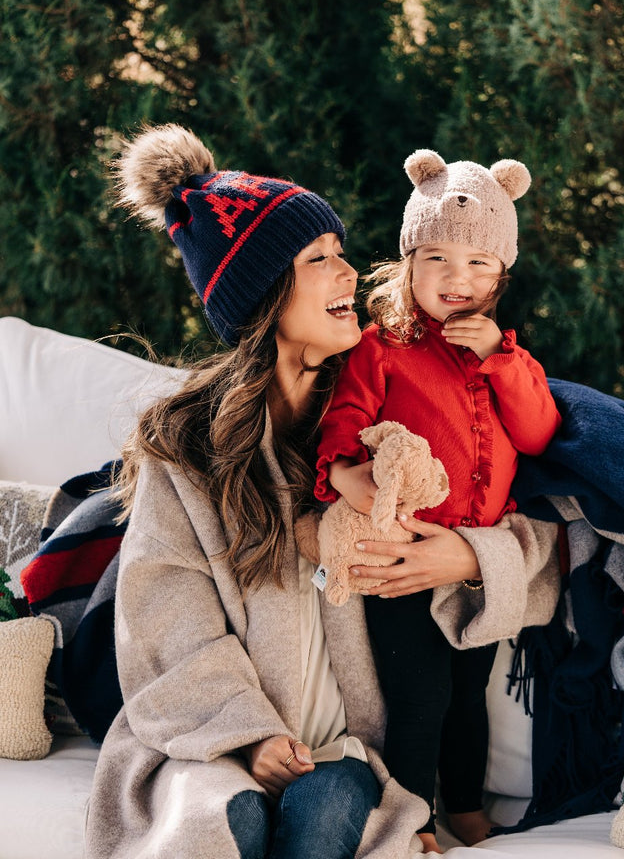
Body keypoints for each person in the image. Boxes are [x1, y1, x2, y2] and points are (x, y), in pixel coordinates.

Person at [83, 125, 560, 859]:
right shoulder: (188, 447)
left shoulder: (381, 396)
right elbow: (167, 609)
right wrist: (248, 732)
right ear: (267, 295)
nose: (349, 274)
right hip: (220, 736)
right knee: (219, 824)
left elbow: (535, 515)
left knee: (328, 820)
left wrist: (469, 557)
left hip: (347, 749)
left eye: (342, 253)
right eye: (320, 260)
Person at [315, 149, 562, 854]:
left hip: (474, 562)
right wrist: (342, 474)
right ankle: (415, 818)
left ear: (502, 274)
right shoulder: (382, 345)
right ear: (408, 261)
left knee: (467, 695)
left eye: (479, 264)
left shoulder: (507, 354)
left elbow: (539, 430)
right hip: (399, 551)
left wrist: (500, 358)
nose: (459, 279)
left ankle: (467, 808)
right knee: (418, 699)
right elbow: (343, 417)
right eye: (438, 260)